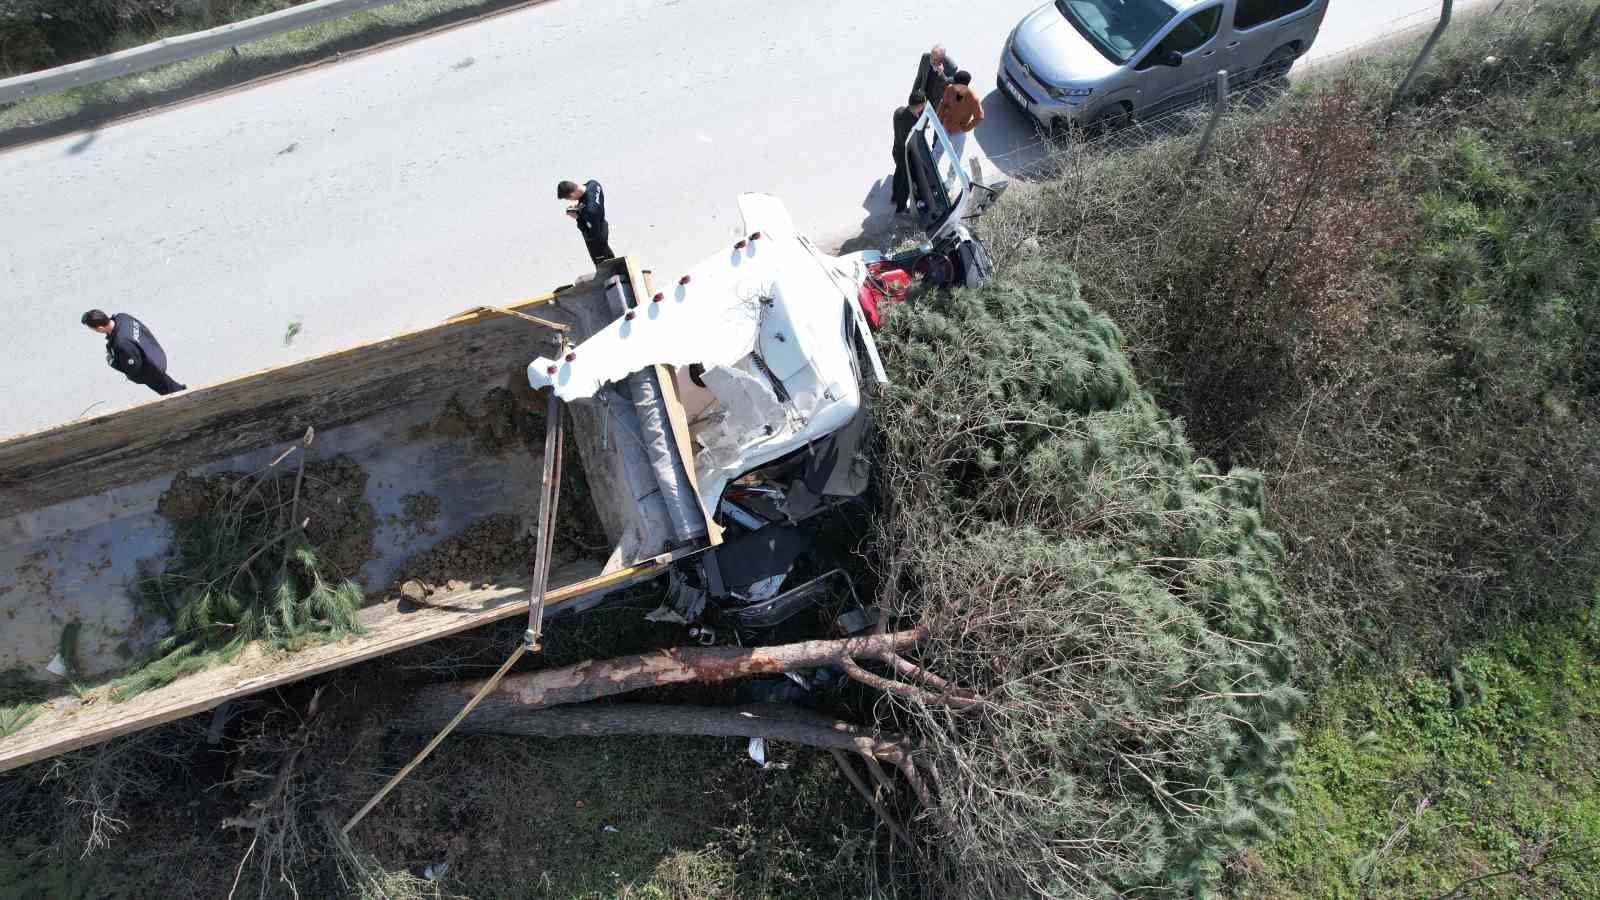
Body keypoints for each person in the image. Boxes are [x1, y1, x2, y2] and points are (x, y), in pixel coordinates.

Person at [81, 309, 186, 396]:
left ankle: (183, 398)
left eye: (92, 329)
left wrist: (112, 362)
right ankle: (182, 392)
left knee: (168, 391)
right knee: (169, 385)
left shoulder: (121, 343)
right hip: (153, 352)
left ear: (100, 328)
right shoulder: (122, 317)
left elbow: (133, 368)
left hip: (152, 369)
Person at [556, 179, 614, 266]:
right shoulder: (594, 184)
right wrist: (579, 206)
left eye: (569, 199)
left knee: (606, 268)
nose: (571, 201)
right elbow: (589, 198)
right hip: (602, 224)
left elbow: (591, 233)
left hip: (597, 241)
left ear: (571, 195)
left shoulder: (589, 211)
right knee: (612, 262)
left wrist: (577, 218)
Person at [891, 90, 928, 216]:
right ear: (919, 106)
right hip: (906, 154)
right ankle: (900, 208)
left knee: (898, 172)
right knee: (906, 182)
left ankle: (894, 197)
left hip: (896, 150)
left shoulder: (899, 111)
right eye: (923, 105)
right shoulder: (913, 123)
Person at [937, 70, 984, 158]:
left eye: (955, 83)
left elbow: (980, 116)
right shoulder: (949, 89)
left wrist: (965, 128)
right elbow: (943, 104)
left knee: (956, 157)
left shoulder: (973, 98)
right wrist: (939, 120)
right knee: (937, 151)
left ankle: (952, 172)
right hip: (945, 127)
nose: (953, 84)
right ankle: (929, 171)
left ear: (962, 86)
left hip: (958, 133)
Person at [912, 44, 958, 112]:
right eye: (931, 57)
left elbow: (950, 87)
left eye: (935, 59)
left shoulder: (951, 67)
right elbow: (919, 78)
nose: (932, 61)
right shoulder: (925, 58)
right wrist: (913, 95)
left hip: (937, 103)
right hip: (923, 99)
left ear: (942, 59)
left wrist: (941, 74)